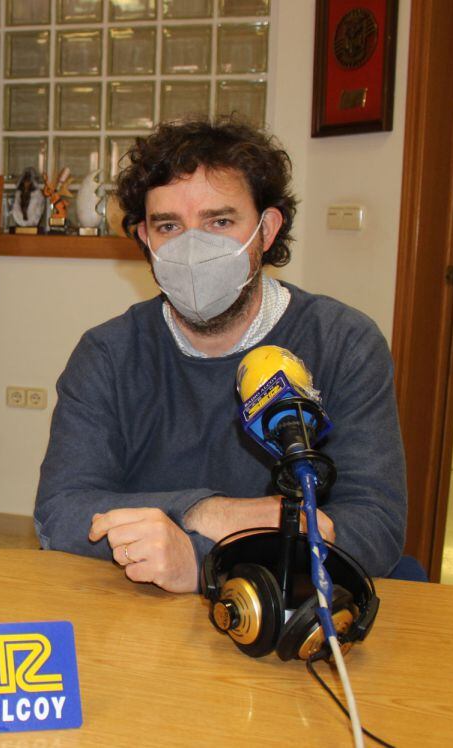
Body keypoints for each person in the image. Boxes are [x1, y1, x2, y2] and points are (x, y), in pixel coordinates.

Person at [33, 119, 406, 593]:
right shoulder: (108, 353)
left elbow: (377, 528)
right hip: (138, 612)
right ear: (146, 238)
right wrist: (204, 511)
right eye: (169, 225)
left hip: (283, 611)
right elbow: (60, 511)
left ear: (266, 230)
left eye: (220, 221)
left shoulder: (344, 342)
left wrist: (203, 562)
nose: (193, 248)